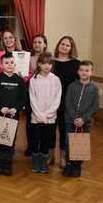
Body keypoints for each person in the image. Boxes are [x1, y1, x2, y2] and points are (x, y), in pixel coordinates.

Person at [0, 53, 26, 176]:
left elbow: (23, 98)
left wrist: (16, 108)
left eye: (11, 62)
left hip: (13, 116)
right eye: (6, 63)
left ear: (14, 64)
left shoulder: (19, 81)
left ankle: (7, 162)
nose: (9, 65)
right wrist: (0, 107)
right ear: (1, 65)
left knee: (10, 139)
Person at [63, 60, 99, 177]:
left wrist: (83, 119)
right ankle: (69, 163)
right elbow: (67, 102)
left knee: (80, 143)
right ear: (78, 71)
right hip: (70, 120)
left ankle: (77, 165)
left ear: (91, 72)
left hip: (85, 122)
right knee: (69, 143)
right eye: (82, 70)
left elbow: (95, 106)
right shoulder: (72, 86)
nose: (84, 72)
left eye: (87, 70)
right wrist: (74, 117)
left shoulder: (94, 88)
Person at [29, 52, 61, 174]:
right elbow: (32, 98)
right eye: (44, 63)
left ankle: (43, 161)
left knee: (46, 140)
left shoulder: (56, 80)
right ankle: (36, 161)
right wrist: (39, 114)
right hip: (36, 117)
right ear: (39, 64)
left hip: (50, 118)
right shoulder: (34, 80)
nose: (47, 66)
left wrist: (47, 114)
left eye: (49, 63)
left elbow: (57, 99)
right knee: (35, 139)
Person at [53, 36, 80, 168]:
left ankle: (63, 157)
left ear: (71, 48)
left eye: (67, 45)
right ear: (58, 45)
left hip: (68, 102)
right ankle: (50, 155)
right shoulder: (50, 62)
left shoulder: (76, 64)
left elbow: (82, 82)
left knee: (64, 130)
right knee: (50, 130)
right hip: (51, 101)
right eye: (62, 44)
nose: (64, 47)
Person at [24, 35, 48, 158]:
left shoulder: (50, 59)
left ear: (44, 44)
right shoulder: (28, 58)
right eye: (35, 42)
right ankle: (31, 146)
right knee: (30, 121)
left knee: (43, 122)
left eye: (40, 42)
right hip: (30, 94)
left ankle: (43, 148)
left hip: (45, 96)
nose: (37, 44)